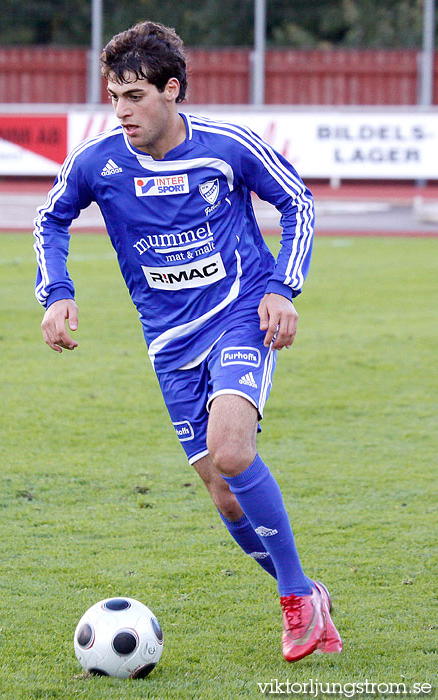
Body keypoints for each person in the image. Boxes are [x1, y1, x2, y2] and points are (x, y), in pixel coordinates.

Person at [33, 20, 342, 662]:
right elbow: (51, 219)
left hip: (238, 316)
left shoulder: (225, 147)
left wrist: (283, 287)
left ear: (172, 90)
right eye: (113, 96)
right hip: (169, 346)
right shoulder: (98, 162)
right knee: (224, 491)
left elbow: (299, 204)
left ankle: (294, 601)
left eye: (135, 96)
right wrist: (56, 291)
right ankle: (308, 593)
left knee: (231, 451)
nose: (121, 111)